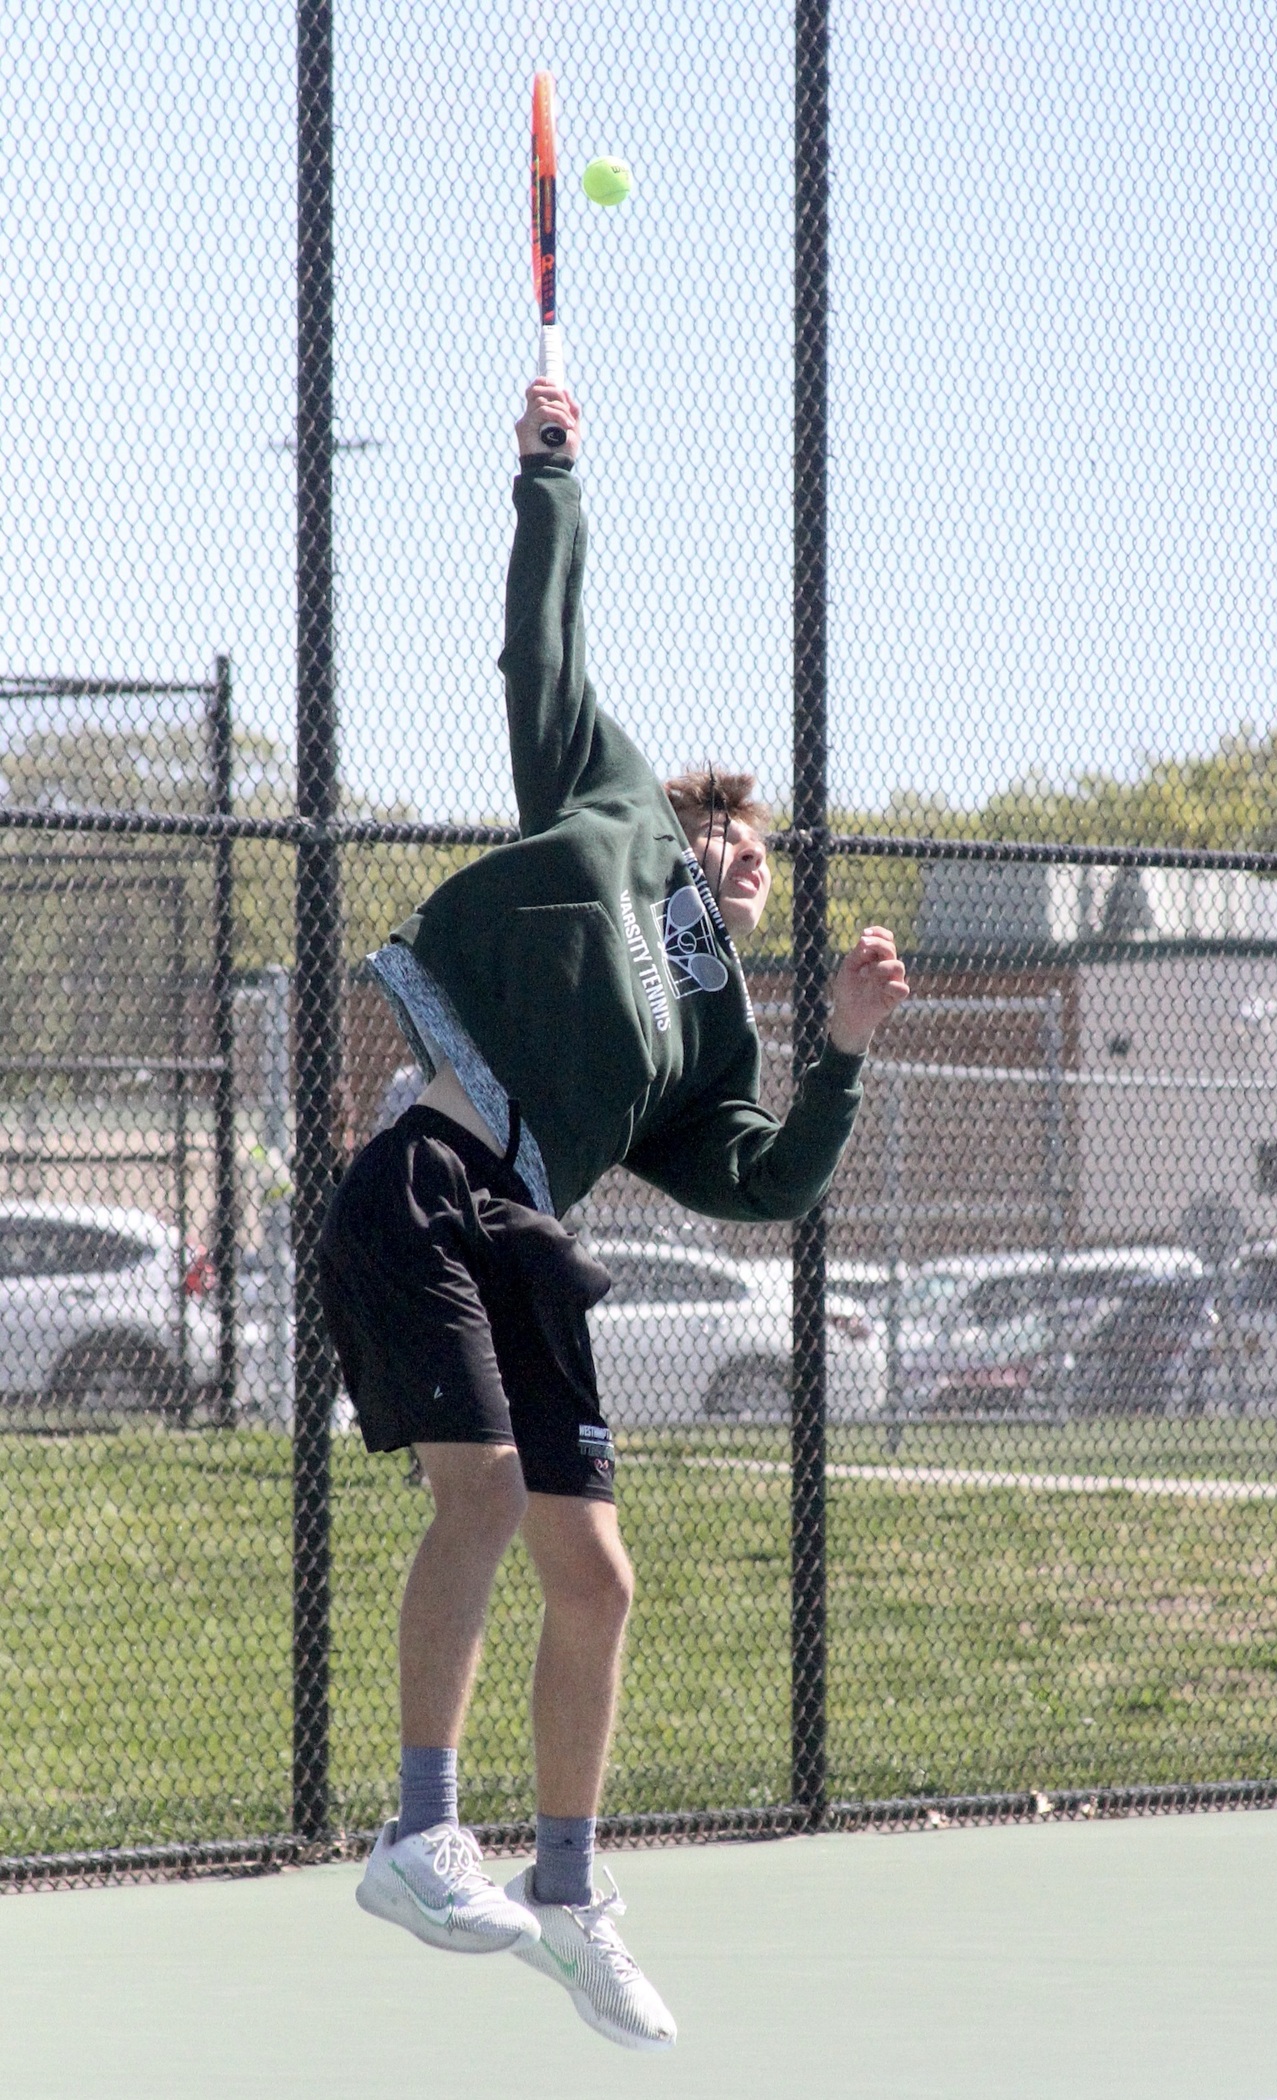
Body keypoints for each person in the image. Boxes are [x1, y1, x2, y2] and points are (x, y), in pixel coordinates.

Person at [316, 376, 908, 2051]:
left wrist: (842, 1059)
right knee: (488, 1494)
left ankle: (571, 1890)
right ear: (693, 827)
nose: (748, 865)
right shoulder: (613, 804)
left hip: (525, 1240)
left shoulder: (703, 1041)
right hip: (424, 1183)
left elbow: (768, 1185)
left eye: (766, 867)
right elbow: (544, 651)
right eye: (735, 843)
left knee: (602, 1576)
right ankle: (421, 1831)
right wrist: (549, 473)